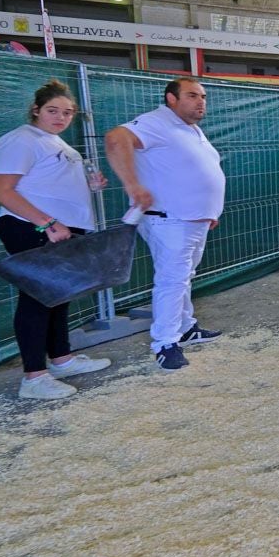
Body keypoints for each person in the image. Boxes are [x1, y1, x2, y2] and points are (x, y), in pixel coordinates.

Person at [0, 79, 112, 399]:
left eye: (68, 112)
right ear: (36, 110)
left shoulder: (57, 143)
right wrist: (47, 223)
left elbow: (50, 184)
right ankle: (34, 377)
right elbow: (0, 190)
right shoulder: (23, 140)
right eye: (53, 111)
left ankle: (61, 359)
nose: (61, 117)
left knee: (58, 294)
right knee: (38, 297)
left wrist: (91, 185)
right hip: (33, 228)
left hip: (62, 229)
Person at [105, 77, 226, 370]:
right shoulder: (156, 122)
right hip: (169, 220)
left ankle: (185, 327)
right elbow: (115, 139)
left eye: (203, 96)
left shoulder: (191, 129)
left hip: (193, 220)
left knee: (184, 276)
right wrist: (132, 185)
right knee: (172, 280)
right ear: (171, 99)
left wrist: (208, 211)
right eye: (192, 95)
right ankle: (164, 343)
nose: (201, 102)